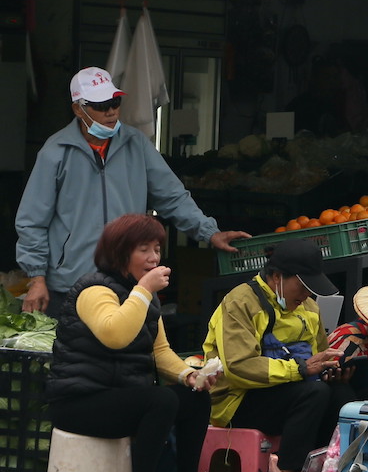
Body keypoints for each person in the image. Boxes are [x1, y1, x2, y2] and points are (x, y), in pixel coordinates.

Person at [15, 67, 250, 317]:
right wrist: (37, 278)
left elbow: (173, 197)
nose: (111, 111)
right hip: (71, 284)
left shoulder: (136, 144)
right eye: (101, 104)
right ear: (78, 108)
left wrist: (210, 232)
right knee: (75, 354)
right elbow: (32, 221)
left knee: (127, 352)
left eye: (115, 101)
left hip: (128, 281)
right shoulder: (55, 152)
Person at [47, 214, 231, 472]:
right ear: (120, 253)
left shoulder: (145, 298)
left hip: (121, 398)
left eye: (157, 249)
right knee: (160, 400)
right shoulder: (95, 290)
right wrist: (144, 289)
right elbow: (115, 335)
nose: (153, 257)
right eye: (143, 249)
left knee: (194, 396)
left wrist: (190, 375)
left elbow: (160, 351)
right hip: (79, 402)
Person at [203, 238, 348, 472]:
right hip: (236, 401)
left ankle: (323, 470)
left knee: (342, 395)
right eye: (302, 286)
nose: (306, 294)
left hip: (289, 392)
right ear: (278, 277)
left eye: (310, 288)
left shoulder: (309, 307)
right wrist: (299, 369)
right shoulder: (240, 302)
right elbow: (239, 367)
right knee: (315, 393)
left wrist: (331, 370)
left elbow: (317, 357)